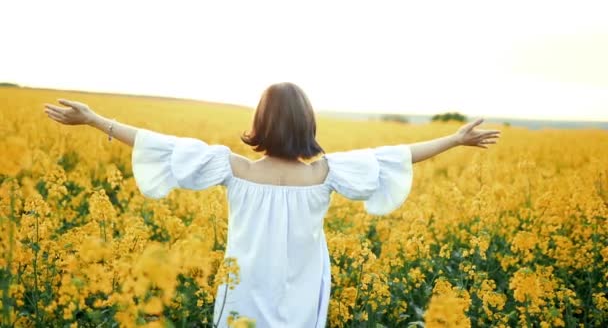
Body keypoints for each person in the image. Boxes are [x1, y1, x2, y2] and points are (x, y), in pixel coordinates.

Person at [44, 82, 500, 327]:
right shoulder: (326, 172)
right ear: (309, 124)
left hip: (241, 292)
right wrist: (455, 140)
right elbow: (397, 157)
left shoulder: (231, 168)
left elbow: (157, 145)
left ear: (258, 123)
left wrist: (95, 120)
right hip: (302, 296)